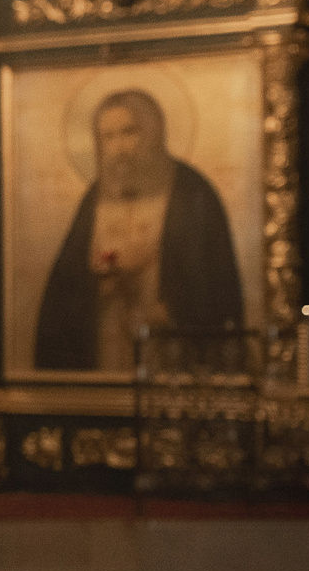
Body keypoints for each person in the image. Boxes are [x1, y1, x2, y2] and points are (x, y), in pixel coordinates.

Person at [32, 87, 244, 371]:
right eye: (108, 137)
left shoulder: (192, 193)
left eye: (129, 132)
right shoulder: (95, 197)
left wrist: (168, 309)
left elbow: (214, 288)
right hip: (104, 349)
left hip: (169, 352)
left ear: (154, 133)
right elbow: (64, 293)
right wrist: (99, 284)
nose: (119, 148)